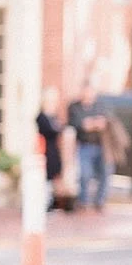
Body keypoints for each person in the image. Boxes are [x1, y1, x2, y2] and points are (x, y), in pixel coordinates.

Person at [68, 81, 110, 212]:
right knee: (85, 174)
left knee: (105, 173)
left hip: (101, 146)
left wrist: (90, 123)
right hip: (85, 146)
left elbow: (105, 122)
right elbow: (78, 124)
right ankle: (84, 201)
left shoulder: (100, 106)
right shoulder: (75, 107)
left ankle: (100, 201)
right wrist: (92, 124)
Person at [36, 91, 67, 211]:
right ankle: (45, 203)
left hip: (54, 150)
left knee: (53, 177)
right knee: (45, 177)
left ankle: (50, 202)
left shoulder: (53, 116)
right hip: (45, 150)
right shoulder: (41, 117)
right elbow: (51, 130)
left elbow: (61, 128)